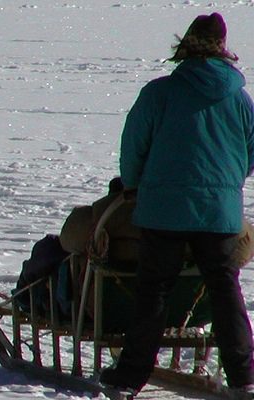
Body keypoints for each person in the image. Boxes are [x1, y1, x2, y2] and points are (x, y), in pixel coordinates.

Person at [99, 12, 254, 396]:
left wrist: (133, 186)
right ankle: (244, 377)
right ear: (224, 51)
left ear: (184, 47)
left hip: (163, 209)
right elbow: (250, 154)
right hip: (219, 212)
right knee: (224, 288)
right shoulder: (240, 98)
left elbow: (134, 147)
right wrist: (225, 185)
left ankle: (130, 376)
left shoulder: (159, 92)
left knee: (153, 291)